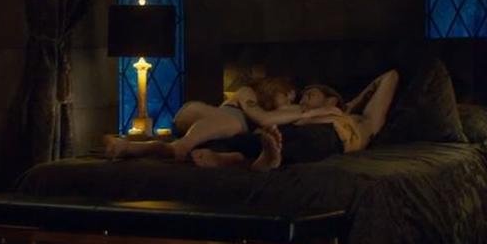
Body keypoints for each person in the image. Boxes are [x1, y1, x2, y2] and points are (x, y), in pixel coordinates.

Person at [189, 69, 400, 172]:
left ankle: (263, 159)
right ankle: (239, 157)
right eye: (303, 96)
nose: (303, 99)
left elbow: (390, 76)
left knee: (310, 143)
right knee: (248, 138)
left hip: (331, 135)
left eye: (311, 95)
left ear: (331, 99)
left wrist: (350, 104)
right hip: (293, 131)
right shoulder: (297, 114)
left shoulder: (362, 121)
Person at [103, 76, 325, 161]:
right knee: (234, 122)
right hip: (195, 113)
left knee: (174, 149)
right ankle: (182, 146)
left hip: (210, 132)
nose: (290, 100)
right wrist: (303, 110)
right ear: (275, 86)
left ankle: (128, 148)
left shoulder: (281, 117)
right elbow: (263, 118)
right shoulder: (247, 92)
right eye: (287, 94)